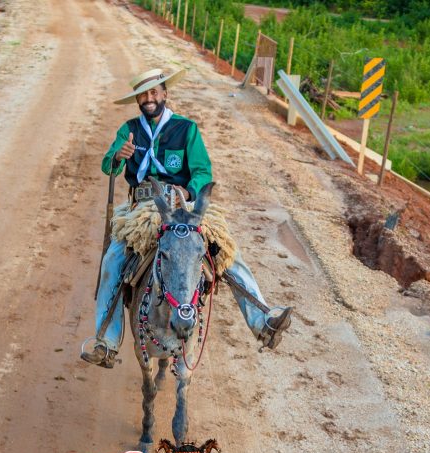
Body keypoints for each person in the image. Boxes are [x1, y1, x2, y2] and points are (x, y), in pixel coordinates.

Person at [81, 68, 292, 368]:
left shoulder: (186, 129)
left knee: (224, 248)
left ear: (165, 94)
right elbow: (108, 167)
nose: (150, 98)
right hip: (140, 209)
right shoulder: (128, 130)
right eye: (144, 94)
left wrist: (188, 191)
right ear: (138, 99)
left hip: (181, 204)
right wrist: (117, 157)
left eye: (155, 92)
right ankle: (107, 341)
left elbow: (203, 171)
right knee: (112, 261)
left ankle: (262, 319)